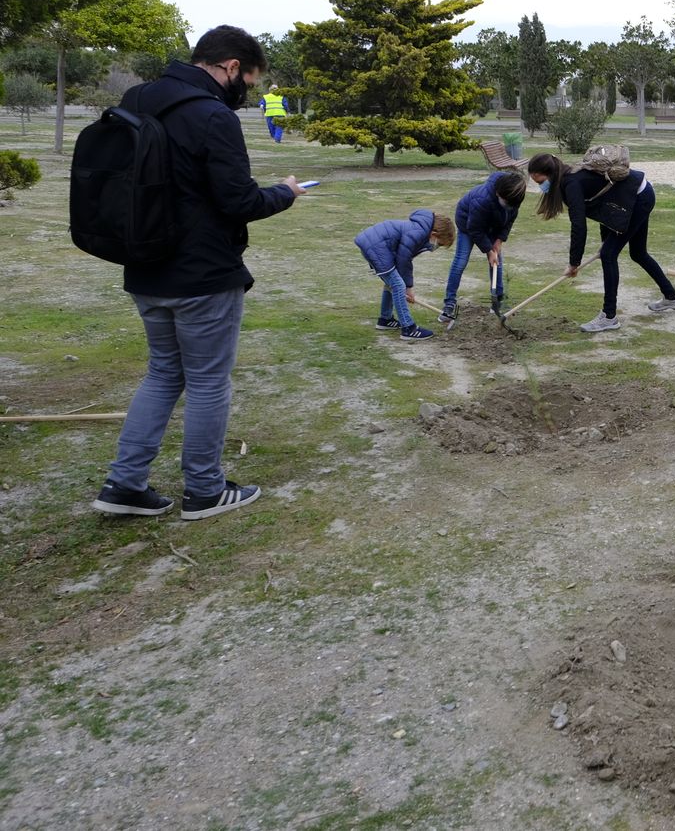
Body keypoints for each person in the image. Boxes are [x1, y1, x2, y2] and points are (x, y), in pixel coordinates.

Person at [91, 26, 304, 522]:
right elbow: (240, 201)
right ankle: (206, 490)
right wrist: (285, 192)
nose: (245, 92)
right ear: (232, 68)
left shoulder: (137, 99)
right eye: (248, 82)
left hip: (143, 265)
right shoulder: (212, 115)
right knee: (209, 382)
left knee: (163, 374)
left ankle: (124, 484)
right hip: (202, 274)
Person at [528, 151, 675, 333]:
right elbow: (604, 204)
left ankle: (609, 317)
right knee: (637, 253)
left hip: (637, 197)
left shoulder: (572, 184)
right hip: (635, 194)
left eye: (540, 182)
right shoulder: (569, 180)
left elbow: (579, 225)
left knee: (608, 255)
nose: (541, 187)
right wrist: (605, 240)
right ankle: (672, 297)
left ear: (551, 174)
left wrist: (574, 262)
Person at [354, 210, 456, 341]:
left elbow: (404, 257)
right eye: (440, 243)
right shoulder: (418, 232)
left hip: (374, 244)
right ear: (434, 234)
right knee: (398, 285)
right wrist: (408, 287)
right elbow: (404, 258)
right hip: (376, 246)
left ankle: (385, 319)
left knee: (391, 283)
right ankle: (408, 328)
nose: (437, 246)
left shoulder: (420, 229)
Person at [440, 171, 527, 323]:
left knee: (496, 262)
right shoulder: (483, 199)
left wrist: (499, 240)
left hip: (493, 225)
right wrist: (488, 250)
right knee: (460, 261)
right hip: (469, 223)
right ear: (499, 193)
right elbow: (474, 229)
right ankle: (449, 303)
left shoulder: (514, 196)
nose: (509, 205)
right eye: (506, 201)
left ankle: (498, 300)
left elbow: (510, 220)